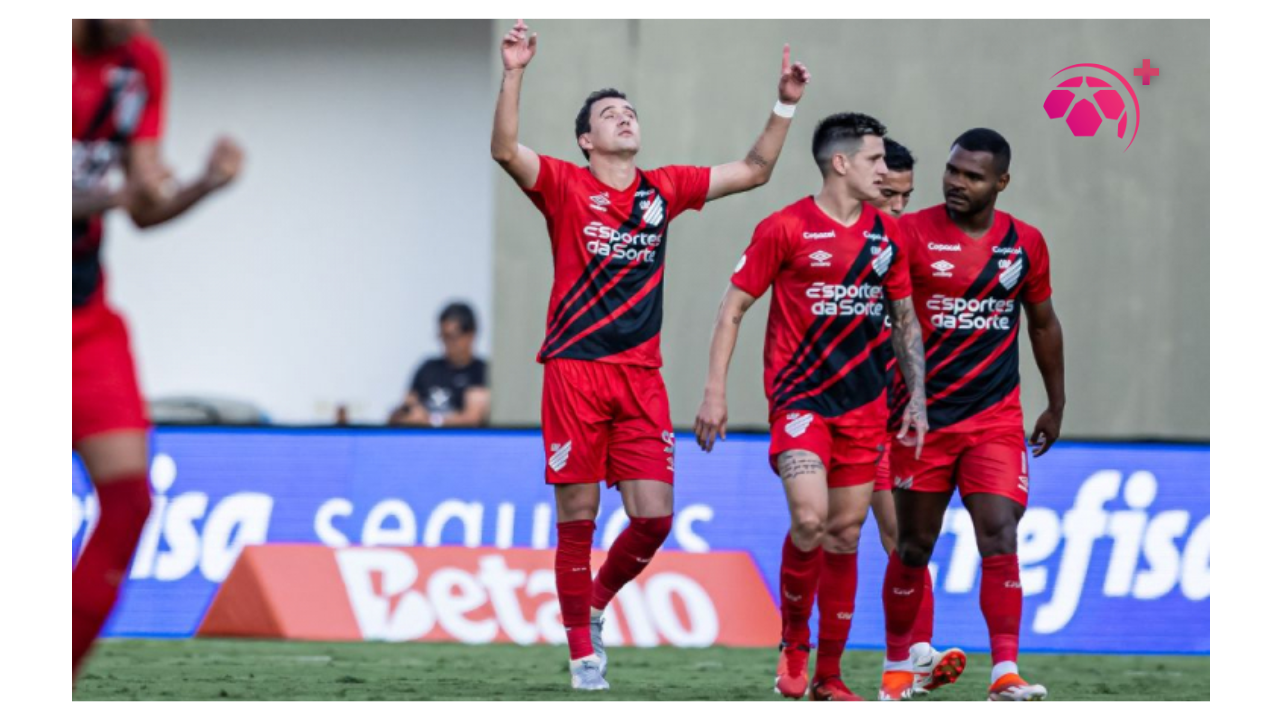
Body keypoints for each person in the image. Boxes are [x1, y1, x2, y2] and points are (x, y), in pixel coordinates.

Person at [490, 19, 810, 691]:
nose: (625, 118)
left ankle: (596, 603)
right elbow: (504, 149)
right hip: (575, 370)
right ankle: (582, 654)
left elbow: (754, 171)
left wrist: (783, 104)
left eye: (630, 111)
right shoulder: (564, 185)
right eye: (611, 114)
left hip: (640, 377)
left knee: (655, 516)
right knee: (578, 516)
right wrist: (515, 70)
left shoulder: (663, 190)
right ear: (587, 139)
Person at [694, 113, 928, 701]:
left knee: (845, 537)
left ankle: (829, 676)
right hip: (801, 401)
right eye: (876, 160)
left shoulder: (887, 236)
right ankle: (793, 644)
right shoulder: (786, 227)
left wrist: (917, 400)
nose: (886, 170)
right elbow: (733, 308)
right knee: (809, 520)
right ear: (841, 163)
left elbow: (905, 322)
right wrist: (714, 391)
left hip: (865, 407)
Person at [72, 18, 243, 680]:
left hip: (81, 316)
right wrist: (118, 193)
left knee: (129, 500)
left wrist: (203, 183)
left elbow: (142, 206)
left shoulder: (140, 61)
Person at [879, 128, 1065, 702]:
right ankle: (896, 670)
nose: (957, 182)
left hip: (994, 419)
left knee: (1000, 534)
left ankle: (1005, 672)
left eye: (973, 175)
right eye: (953, 170)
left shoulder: (1025, 244)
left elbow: (1042, 323)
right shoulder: (909, 233)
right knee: (912, 547)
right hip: (920, 421)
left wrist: (1056, 404)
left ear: (1000, 183)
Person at [867, 138, 968, 698]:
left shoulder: (907, 243)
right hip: (835, 412)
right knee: (820, 533)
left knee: (901, 537)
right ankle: (799, 652)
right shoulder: (831, 239)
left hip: (891, 414)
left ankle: (914, 654)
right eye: (888, 194)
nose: (900, 208)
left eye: (906, 195)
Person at [390, 302, 490, 428]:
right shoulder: (427, 368)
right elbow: (408, 406)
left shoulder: (481, 371)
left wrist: (431, 420)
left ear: (470, 335)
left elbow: (471, 418)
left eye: (452, 337)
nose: (446, 344)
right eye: (442, 336)